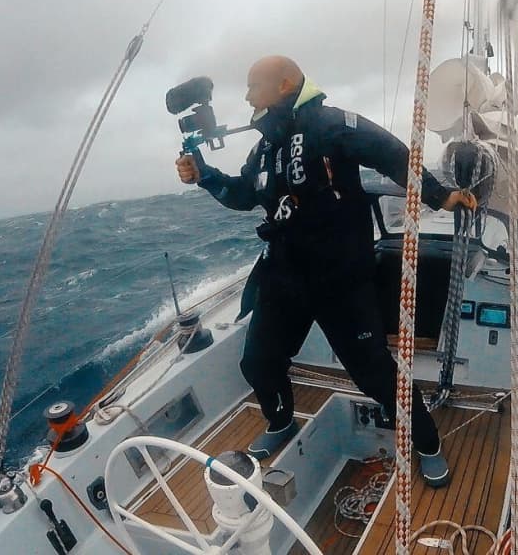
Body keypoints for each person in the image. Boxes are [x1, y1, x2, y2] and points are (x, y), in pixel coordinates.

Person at [175, 55, 476, 487]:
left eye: (251, 87)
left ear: (283, 85)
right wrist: (204, 175)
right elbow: (245, 194)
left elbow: (391, 153)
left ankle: (426, 443)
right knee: (258, 361)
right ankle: (281, 422)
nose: (245, 97)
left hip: (340, 281)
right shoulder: (263, 148)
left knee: (376, 375)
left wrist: (438, 196)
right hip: (283, 276)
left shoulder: (332, 124)